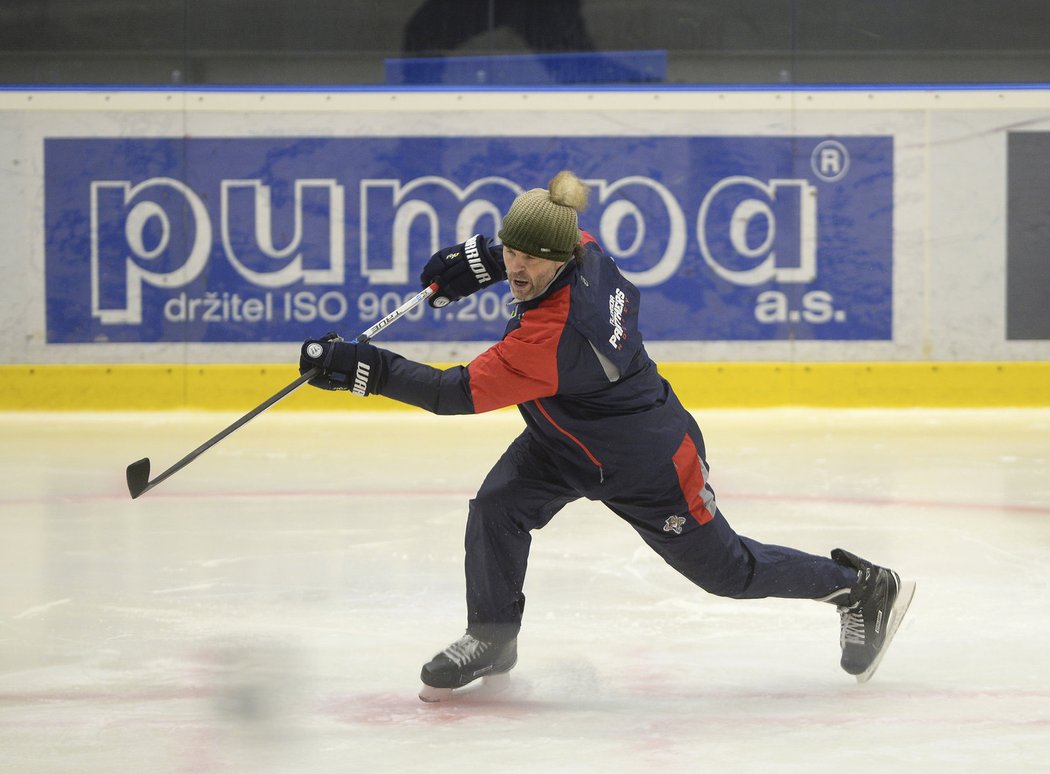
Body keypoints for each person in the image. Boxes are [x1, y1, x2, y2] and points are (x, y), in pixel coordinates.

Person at [298, 170, 916, 701]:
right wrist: (482, 258)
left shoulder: (555, 338)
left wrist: (365, 369)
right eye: (512, 250)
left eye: (528, 258)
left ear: (562, 259)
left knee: (726, 572)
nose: (517, 266)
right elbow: (538, 240)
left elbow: (451, 394)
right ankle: (491, 637)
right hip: (564, 441)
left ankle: (861, 587)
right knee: (497, 508)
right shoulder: (581, 248)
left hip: (646, 464)